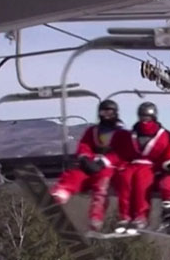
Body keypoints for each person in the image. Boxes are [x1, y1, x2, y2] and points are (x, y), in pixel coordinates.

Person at [51, 99, 130, 232]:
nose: (106, 115)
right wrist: (84, 158)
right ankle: (62, 191)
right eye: (103, 112)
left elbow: (123, 153)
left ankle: (96, 216)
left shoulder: (122, 134)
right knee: (76, 174)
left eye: (109, 112)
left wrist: (105, 161)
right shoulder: (93, 131)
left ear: (115, 113)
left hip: (110, 167)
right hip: (92, 161)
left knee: (101, 186)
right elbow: (84, 145)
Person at [114, 102, 170, 233]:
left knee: (142, 185)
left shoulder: (162, 134)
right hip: (133, 163)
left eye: (147, 117)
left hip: (150, 165)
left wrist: (163, 168)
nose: (145, 120)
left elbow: (167, 152)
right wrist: (121, 164)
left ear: (153, 117)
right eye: (142, 117)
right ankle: (124, 216)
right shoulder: (133, 133)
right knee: (125, 181)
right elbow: (125, 152)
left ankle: (141, 217)